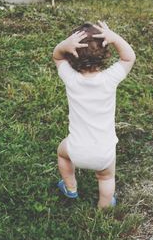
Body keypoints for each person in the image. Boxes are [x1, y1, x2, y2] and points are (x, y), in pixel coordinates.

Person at [52, 21, 136, 208]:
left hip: (76, 150)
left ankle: (70, 187)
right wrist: (114, 37)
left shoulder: (70, 78)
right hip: (104, 152)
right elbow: (129, 58)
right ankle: (105, 206)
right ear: (105, 54)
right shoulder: (109, 79)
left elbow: (57, 57)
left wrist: (64, 45)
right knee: (106, 178)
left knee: (62, 153)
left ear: (71, 56)